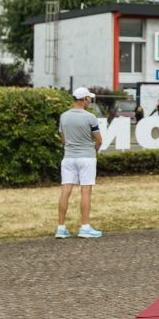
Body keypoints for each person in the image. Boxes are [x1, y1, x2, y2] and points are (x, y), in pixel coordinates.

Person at [55, 87, 104, 239]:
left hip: (69, 157)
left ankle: (61, 228)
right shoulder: (90, 117)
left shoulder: (64, 116)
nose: (89, 101)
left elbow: (62, 138)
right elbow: (98, 140)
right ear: (83, 100)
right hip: (86, 157)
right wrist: (94, 150)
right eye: (88, 98)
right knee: (85, 190)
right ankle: (85, 227)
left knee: (65, 191)